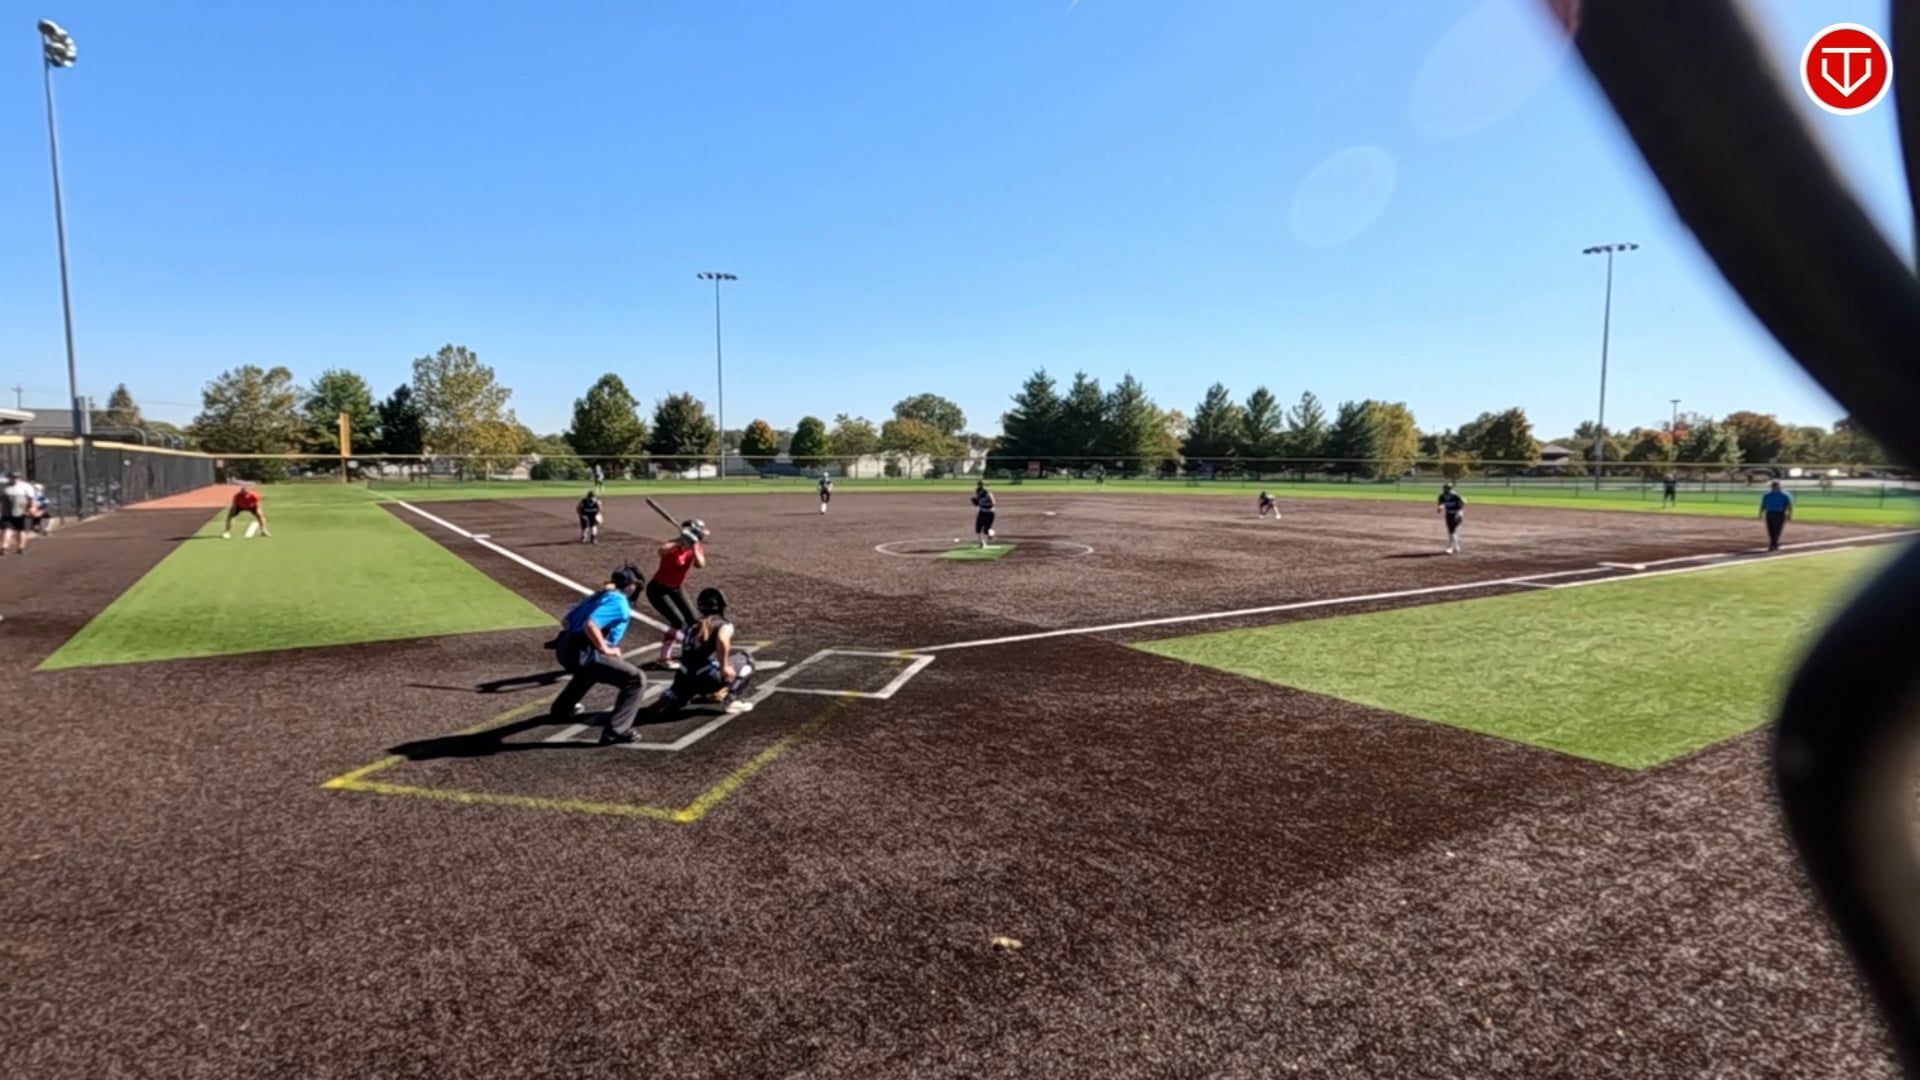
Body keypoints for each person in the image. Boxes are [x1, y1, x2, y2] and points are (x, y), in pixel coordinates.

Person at [546, 563, 649, 745]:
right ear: (632, 585)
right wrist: (604, 648)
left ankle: (561, 710)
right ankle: (616, 731)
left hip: (565, 648)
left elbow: (566, 620)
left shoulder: (600, 595)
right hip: (583, 651)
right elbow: (591, 625)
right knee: (636, 679)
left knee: (590, 672)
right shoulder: (618, 602)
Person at [647, 587, 756, 718]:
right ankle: (731, 701)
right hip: (707, 679)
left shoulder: (692, 626)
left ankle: (673, 695)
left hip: (683, 678)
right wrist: (724, 667)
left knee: (680, 695)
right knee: (746, 660)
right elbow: (722, 640)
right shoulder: (723, 625)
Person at [647, 518, 709, 666]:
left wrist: (694, 545)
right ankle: (664, 658)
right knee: (677, 621)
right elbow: (661, 551)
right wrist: (680, 541)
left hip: (676, 588)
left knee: (694, 621)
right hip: (658, 590)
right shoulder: (673, 545)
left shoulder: (696, 546)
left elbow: (700, 564)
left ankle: (692, 651)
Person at [1, 471, 34, 555]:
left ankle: (11, 547)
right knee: (12, 529)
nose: (14, 479)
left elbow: (30, 499)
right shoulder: (26, 486)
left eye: (15, 478)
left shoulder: (4, 487)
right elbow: (31, 499)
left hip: (18, 512)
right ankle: (13, 547)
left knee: (13, 529)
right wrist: (30, 508)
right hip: (14, 511)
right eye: (13, 477)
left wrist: (30, 508)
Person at [1760, 480, 1794, 551]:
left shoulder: (1784, 495)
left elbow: (1789, 505)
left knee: (1777, 529)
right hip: (1769, 513)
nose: (1775, 488)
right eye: (1774, 487)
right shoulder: (1767, 495)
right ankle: (1774, 543)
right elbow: (1763, 504)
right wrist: (1760, 513)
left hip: (1779, 513)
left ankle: (1773, 543)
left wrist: (1789, 514)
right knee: (1770, 529)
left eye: (1777, 486)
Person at [1437, 481, 1465, 554]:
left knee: (1452, 531)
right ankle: (1456, 547)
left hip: (1457, 514)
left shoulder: (1455, 496)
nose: (1447, 489)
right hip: (1448, 514)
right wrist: (1440, 507)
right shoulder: (1442, 496)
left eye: (1448, 488)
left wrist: (1460, 511)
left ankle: (1450, 547)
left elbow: (1463, 502)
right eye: (1446, 488)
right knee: (1452, 531)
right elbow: (1441, 503)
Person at [971, 480, 997, 548]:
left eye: (982, 485)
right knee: (978, 528)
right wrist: (977, 503)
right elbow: (978, 503)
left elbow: (993, 503)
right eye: (979, 485)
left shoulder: (988, 493)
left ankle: (990, 534)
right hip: (982, 512)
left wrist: (983, 503)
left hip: (990, 513)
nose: (980, 486)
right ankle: (981, 543)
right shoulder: (978, 491)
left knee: (986, 529)